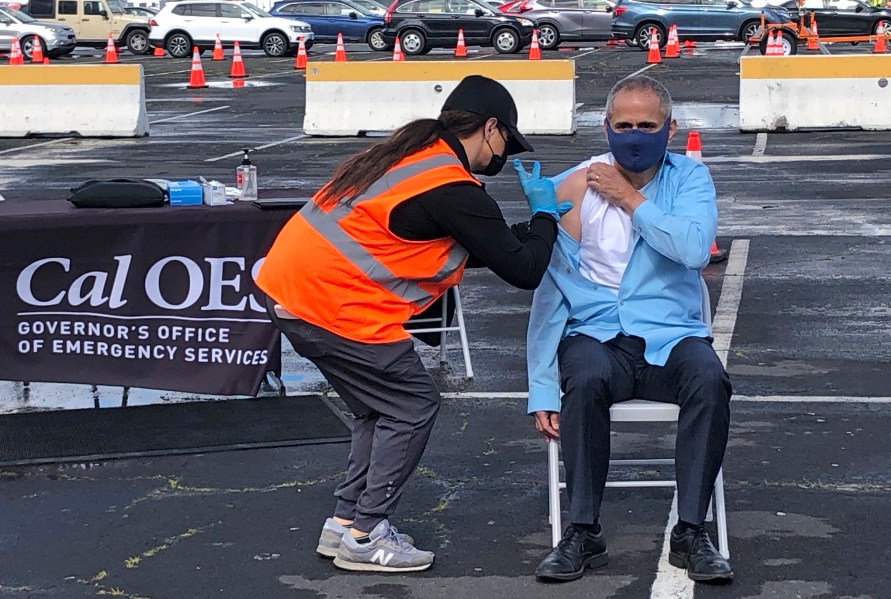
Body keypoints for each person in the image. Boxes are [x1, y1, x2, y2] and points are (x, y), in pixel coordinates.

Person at [256, 75, 570, 574]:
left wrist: (529, 232)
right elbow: (524, 270)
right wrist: (545, 219)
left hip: (292, 295)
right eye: (507, 142)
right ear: (491, 129)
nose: (505, 156)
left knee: (377, 410)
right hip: (336, 306)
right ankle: (367, 534)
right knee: (414, 405)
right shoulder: (454, 187)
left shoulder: (408, 159)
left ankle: (344, 523)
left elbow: (476, 246)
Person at [527, 75, 733, 584]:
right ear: (606, 127)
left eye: (647, 125)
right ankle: (582, 529)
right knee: (586, 378)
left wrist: (629, 200)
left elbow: (692, 249)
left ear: (670, 128)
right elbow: (550, 291)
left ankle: (691, 529)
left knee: (710, 380)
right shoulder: (571, 188)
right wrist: (539, 386)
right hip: (597, 334)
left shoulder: (689, 179)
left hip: (670, 334)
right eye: (623, 125)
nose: (634, 135)